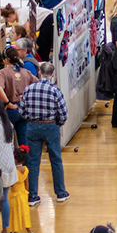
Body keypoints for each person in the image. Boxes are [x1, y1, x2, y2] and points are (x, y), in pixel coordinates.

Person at [21, 61, 69, 203]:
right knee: (55, 159)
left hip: (32, 126)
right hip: (51, 126)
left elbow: (22, 110)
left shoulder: (28, 89)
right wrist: (57, 123)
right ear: (53, 74)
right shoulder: (55, 91)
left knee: (32, 161)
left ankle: (32, 195)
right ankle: (60, 193)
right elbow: (63, 113)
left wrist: (31, 120)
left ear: (39, 73)